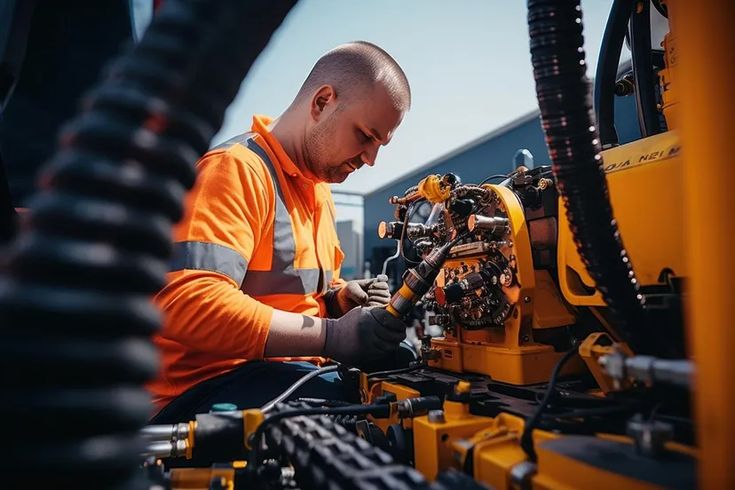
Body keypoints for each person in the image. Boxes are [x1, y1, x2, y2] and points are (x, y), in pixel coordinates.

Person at [148, 41, 412, 422]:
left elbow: (295, 299)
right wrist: (332, 335)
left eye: (380, 144)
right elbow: (187, 302)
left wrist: (338, 301)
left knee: (408, 379)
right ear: (322, 102)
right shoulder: (236, 170)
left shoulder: (318, 191)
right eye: (365, 136)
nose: (370, 159)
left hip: (280, 376)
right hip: (202, 393)